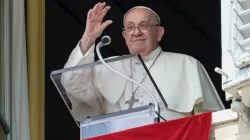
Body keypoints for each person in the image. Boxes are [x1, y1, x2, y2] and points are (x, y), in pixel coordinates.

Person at [60, 2, 225, 121]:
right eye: (130, 27)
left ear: (159, 33)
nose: (136, 32)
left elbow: (213, 120)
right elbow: (72, 84)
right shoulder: (108, 67)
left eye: (144, 25)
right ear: (125, 37)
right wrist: (88, 39)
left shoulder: (186, 65)